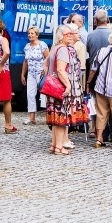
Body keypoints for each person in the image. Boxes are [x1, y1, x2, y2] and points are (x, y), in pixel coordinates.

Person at [45, 25, 88, 155]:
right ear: (61, 36)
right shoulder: (63, 49)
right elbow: (60, 69)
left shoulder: (54, 48)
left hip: (52, 88)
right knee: (61, 119)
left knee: (55, 118)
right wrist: (68, 85)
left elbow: (46, 64)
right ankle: (59, 147)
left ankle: (54, 145)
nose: (70, 35)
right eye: (67, 34)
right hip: (61, 88)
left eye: (71, 33)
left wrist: (49, 77)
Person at [21, 26, 49, 125]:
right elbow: (25, 61)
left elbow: (48, 59)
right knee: (30, 94)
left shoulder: (42, 45)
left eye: (32, 33)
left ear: (37, 35)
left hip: (41, 73)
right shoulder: (27, 46)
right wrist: (22, 74)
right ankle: (31, 117)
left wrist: (46, 71)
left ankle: (48, 116)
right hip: (31, 73)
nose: (30, 35)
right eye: (29, 33)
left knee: (44, 95)